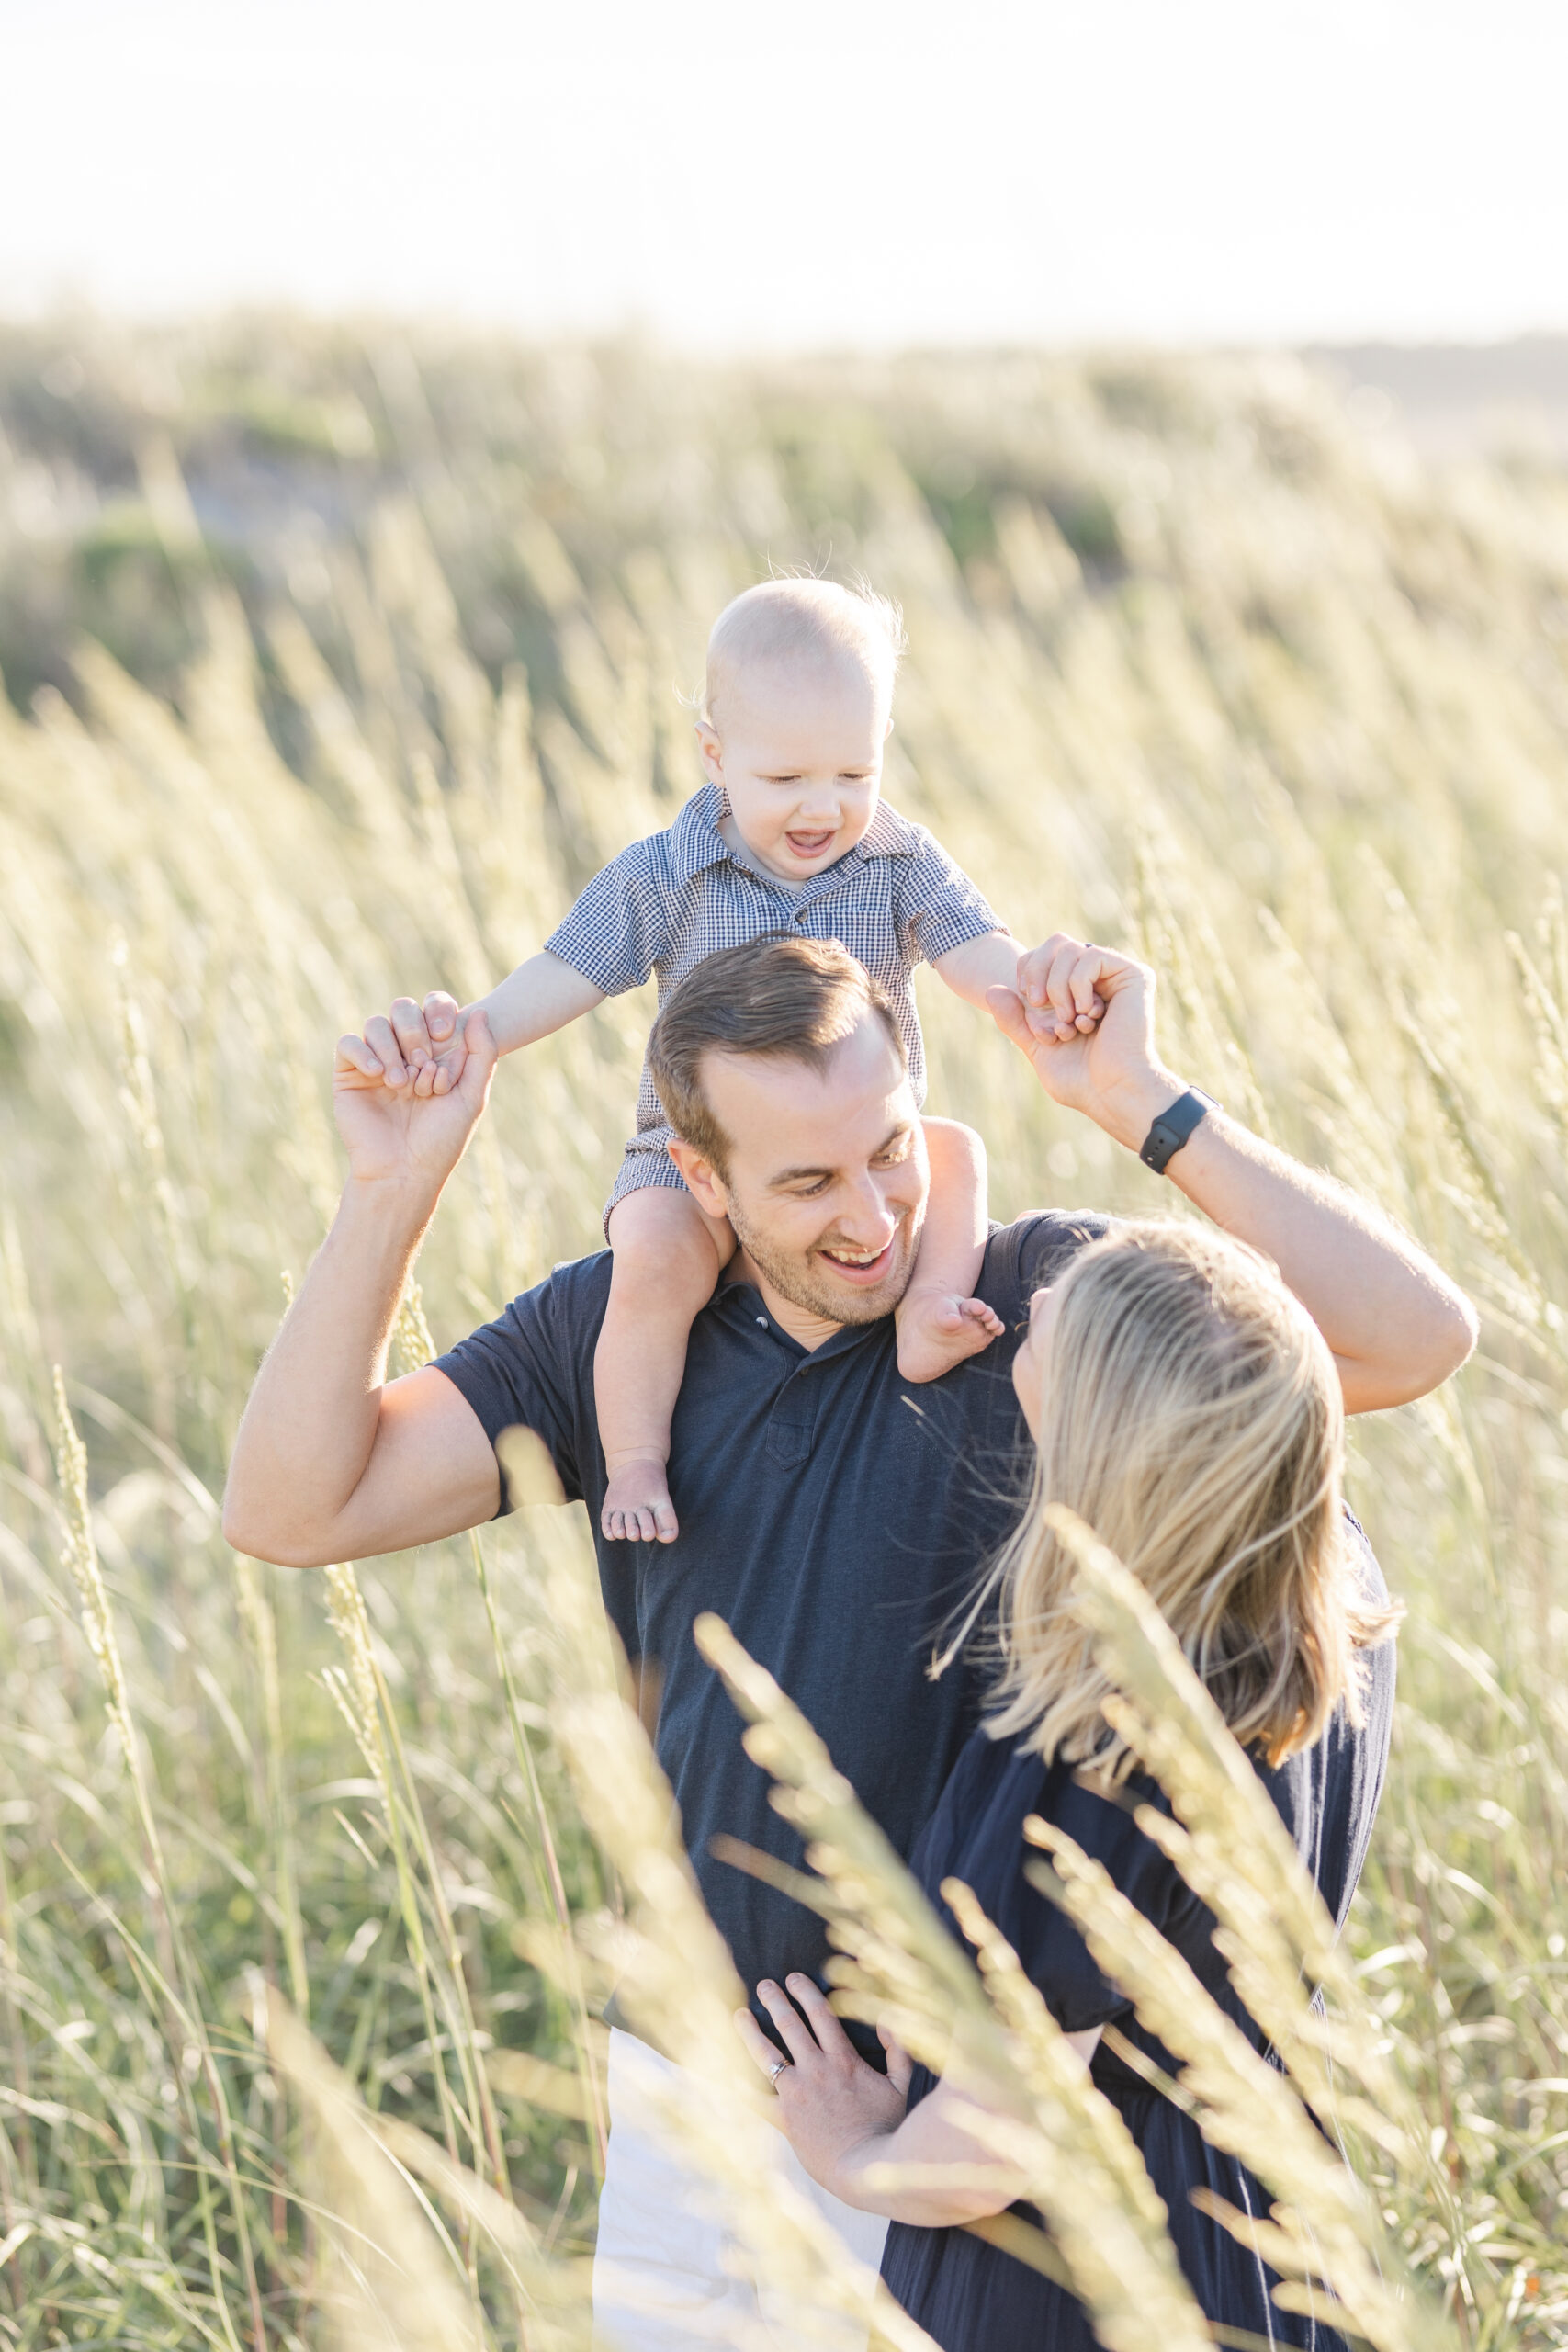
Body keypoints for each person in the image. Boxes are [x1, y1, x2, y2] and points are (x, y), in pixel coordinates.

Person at [222, 929, 1473, 2351]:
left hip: (960, 2128)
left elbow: (1409, 1341)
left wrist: (1133, 1100)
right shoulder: (626, 1333)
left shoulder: (1049, 1309)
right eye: (806, 1181)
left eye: (890, 1150)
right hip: (698, 2107)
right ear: (699, 1179)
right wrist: (392, 1190)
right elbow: (288, 1506)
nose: (872, 1216)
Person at [735, 1217, 1400, 2350]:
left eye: (1070, 1312)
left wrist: (853, 2154)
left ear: (1109, 1430)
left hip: (1086, 2286)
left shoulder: (1108, 1727)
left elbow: (1007, 2141)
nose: (1037, 1301)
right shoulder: (1330, 1592)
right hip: (1278, 2238)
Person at [336, 576, 1099, 1547]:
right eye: (786, 782)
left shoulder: (901, 861)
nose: (824, 807)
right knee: (651, 1265)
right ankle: (638, 1463)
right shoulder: (670, 870)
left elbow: (976, 954)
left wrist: (1039, 992)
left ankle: (928, 1313)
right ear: (715, 755)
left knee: (955, 1156)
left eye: (853, 776)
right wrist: (474, 1033)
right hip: (686, 1150)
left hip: (864, 1152)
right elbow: (571, 970)